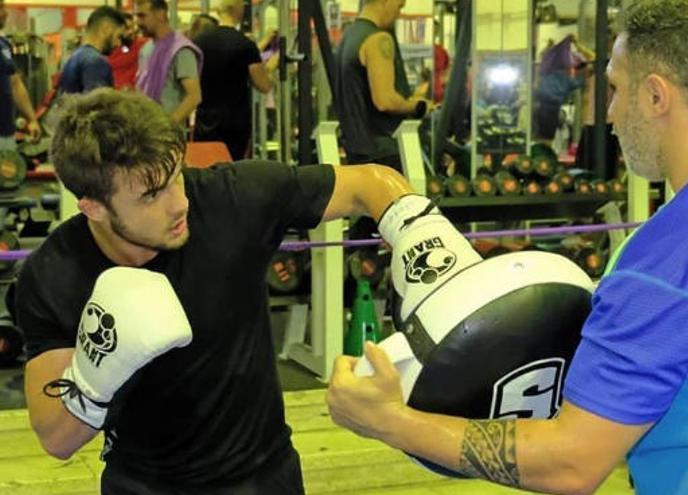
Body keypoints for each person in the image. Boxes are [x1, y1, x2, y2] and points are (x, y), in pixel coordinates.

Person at [326, 1, 688, 494]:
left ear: (657, 95)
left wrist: (391, 421)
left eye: (615, 88)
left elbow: (573, 464)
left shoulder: (667, 261)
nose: (608, 114)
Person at [18, 88, 420, 494]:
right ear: (94, 208)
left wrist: (424, 241)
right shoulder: (56, 275)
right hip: (143, 484)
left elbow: (369, 182)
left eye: (176, 175)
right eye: (152, 195)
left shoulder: (232, 199)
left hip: (263, 477)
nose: (179, 205)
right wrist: (96, 376)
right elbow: (56, 439)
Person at [334, 0, 431, 169]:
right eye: (399, 6)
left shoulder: (347, 37)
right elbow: (385, 101)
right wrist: (419, 106)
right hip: (384, 153)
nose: (399, 13)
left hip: (356, 150)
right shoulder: (378, 38)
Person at [193, 0, 276, 160]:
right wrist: (271, 68)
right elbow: (263, 85)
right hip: (235, 123)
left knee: (206, 169)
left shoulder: (198, 42)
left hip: (205, 120)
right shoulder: (245, 44)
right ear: (238, 10)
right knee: (232, 171)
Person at [135, 0, 202, 126]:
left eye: (142, 16)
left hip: (168, 136)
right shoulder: (145, 49)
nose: (138, 22)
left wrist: (168, 125)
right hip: (144, 131)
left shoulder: (181, 50)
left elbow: (194, 97)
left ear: (160, 14)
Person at [0, 0, 40, 149]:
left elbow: (15, 83)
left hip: (5, 133)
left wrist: (32, 119)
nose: (5, 13)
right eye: (0, 8)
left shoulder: (4, 44)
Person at [58, 7, 126, 94]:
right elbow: (97, 104)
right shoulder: (96, 62)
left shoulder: (74, 57)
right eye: (118, 36)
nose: (118, 44)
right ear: (106, 29)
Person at [108, 13, 148, 90]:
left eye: (133, 27)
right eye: (127, 28)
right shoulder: (108, 51)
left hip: (135, 97)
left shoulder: (143, 45)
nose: (131, 32)